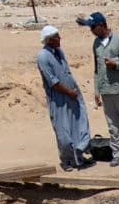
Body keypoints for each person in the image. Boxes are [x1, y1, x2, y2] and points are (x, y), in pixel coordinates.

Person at [79, 11, 119, 167]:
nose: (92, 31)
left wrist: (116, 65)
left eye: (93, 27)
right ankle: (118, 153)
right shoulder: (96, 45)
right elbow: (97, 69)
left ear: (102, 25)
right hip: (106, 92)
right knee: (113, 127)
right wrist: (96, 91)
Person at [35, 25, 88, 171]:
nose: (60, 39)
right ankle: (66, 160)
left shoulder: (59, 52)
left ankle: (78, 158)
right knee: (63, 132)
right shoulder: (43, 57)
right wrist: (68, 92)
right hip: (59, 99)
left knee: (77, 126)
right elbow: (53, 82)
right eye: (57, 37)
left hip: (71, 96)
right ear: (50, 40)